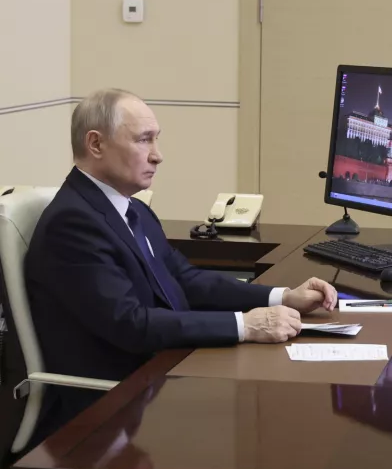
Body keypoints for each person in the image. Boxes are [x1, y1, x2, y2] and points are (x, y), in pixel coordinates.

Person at [24, 88, 338, 445]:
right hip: (110, 410)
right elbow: (130, 324)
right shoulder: (73, 223)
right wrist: (245, 325)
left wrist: (282, 297)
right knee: (270, 430)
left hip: (160, 373)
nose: (158, 156)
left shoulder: (132, 209)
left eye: (156, 140)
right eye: (144, 140)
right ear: (95, 144)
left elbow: (185, 279)